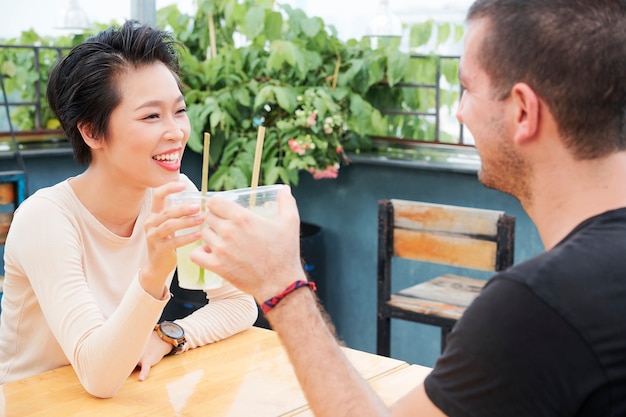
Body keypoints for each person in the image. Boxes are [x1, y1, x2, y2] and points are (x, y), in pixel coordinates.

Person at [191, 0, 626, 415]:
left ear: (523, 112)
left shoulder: (535, 310)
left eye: (467, 88)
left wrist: (281, 285)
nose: (458, 112)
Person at [0, 21, 258, 398]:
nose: (176, 132)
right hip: (35, 402)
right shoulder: (47, 219)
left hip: (127, 398)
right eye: (151, 116)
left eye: (179, 110)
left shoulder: (175, 193)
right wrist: (155, 271)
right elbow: (98, 376)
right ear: (91, 131)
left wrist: (170, 336)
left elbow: (238, 304)